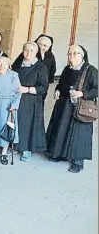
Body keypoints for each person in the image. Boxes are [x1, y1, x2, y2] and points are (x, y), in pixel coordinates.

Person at [46, 45, 98, 173]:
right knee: (62, 129)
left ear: (82, 55)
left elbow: (96, 89)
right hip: (64, 106)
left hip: (80, 107)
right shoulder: (67, 69)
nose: (72, 56)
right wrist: (57, 90)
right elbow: (60, 84)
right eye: (70, 53)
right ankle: (60, 154)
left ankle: (77, 161)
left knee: (79, 134)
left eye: (75, 53)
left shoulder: (90, 70)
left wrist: (82, 93)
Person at [11, 42, 49, 162]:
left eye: (31, 50)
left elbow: (43, 87)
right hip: (17, 99)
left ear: (36, 52)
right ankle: (17, 145)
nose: (28, 53)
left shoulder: (41, 67)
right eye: (26, 50)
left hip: (31, 100)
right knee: (17, 122)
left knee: (28, 124)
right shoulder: (18, 64)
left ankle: (27, 149)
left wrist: (26, 89)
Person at [35, 34, 57, 102]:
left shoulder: (50, 56)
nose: (41, 47)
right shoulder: (31, 51)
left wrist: (49, 80)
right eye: (40, 44)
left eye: (45, 46)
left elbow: (53, 69)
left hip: (43, 83)